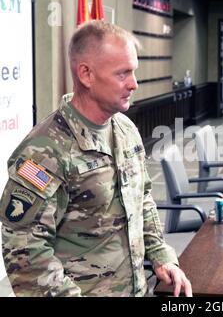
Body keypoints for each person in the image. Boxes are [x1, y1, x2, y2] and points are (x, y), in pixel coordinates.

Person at [0, 21, 192, 297]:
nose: (134, 83)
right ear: (86, 74)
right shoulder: (44, 151)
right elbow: (24, 252)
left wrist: (161, 253)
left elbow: (143, 199)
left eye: (134, 71)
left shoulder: (125, 130)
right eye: (123, 73)